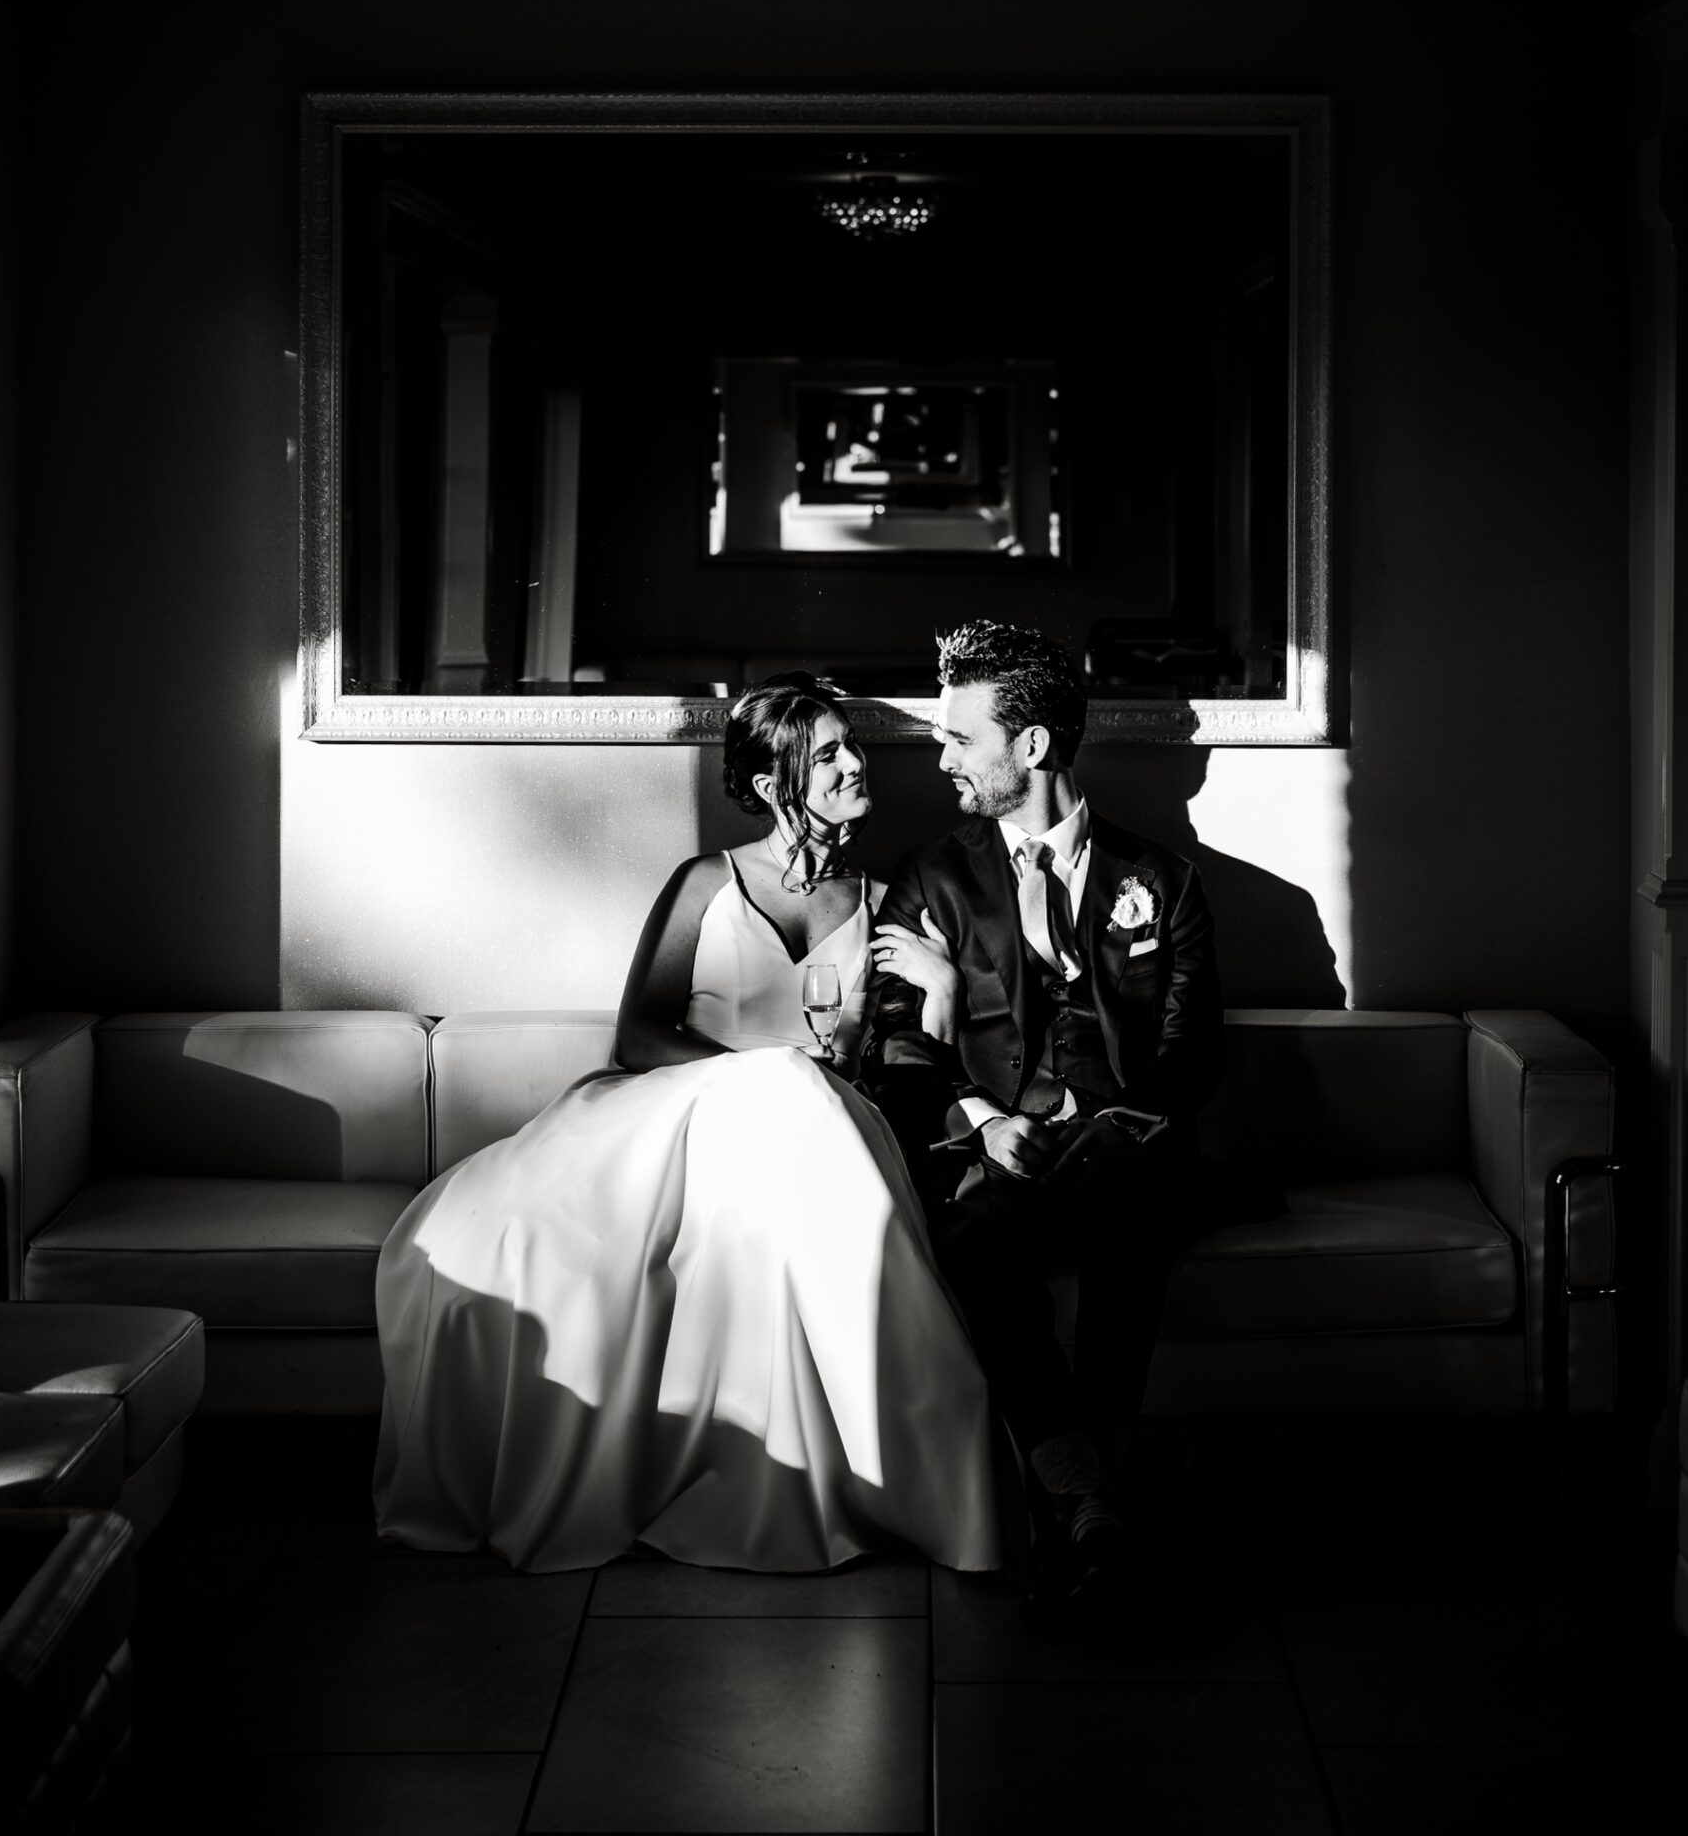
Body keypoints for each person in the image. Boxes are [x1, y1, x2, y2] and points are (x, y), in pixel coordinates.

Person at [373, 673, 1005, 1576]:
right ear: (771, 784)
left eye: (852, 747)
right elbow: (638, 1034)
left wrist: (936, 991)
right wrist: (757, 1077)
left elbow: (895, 1065)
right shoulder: (706, 882)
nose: (855, 765)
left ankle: (895, 1476)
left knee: (809, 1119)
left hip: (814, 1137)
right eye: (829, 754)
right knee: (571, 1221)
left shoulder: (880, 900)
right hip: (678, 1110)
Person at [862, 619, 1223, 1614]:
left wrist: (1100, 1119)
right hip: (999, 1161)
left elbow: (1192, 1057)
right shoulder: (932, 877)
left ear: (1030, 744)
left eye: (958, 738)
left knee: (1129, 1209)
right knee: (976, 1238)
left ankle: (1083, 1507)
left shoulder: (1163, 880)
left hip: (1125, 1151)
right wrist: (983, 1121)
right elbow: (894, 1051)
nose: (940, 758)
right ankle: (1090, 1500)